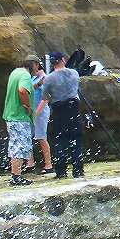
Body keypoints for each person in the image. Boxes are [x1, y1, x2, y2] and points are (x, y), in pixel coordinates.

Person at [38, 51, 85, 179]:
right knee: (76, 140)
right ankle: (78, 170)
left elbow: (45, 97)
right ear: (63, 60)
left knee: (60, 141)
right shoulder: (74, 73)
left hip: (58, 110)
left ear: (52, 63)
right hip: (74, 109)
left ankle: (61, 171)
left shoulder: (49, 78)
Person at [2, 55, 37, 186]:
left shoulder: (15, 72)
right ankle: (17, 177)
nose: (37, 68)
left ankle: (15, 175)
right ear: (33, 64)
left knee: (14, 146)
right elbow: (22, 90)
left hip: (11, 116)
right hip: (19, 117)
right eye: (37, 65)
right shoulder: (25, 75)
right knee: (20, 147)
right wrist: (27, 106)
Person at [30, 58, 53, 174]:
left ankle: (48, 164)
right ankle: (30, 163)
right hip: (31, 112)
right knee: (27, 136)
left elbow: (46, 99)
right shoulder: (33, 78)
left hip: (41, 112)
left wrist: (37, 113)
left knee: (41, 137)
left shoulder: (45, 78)